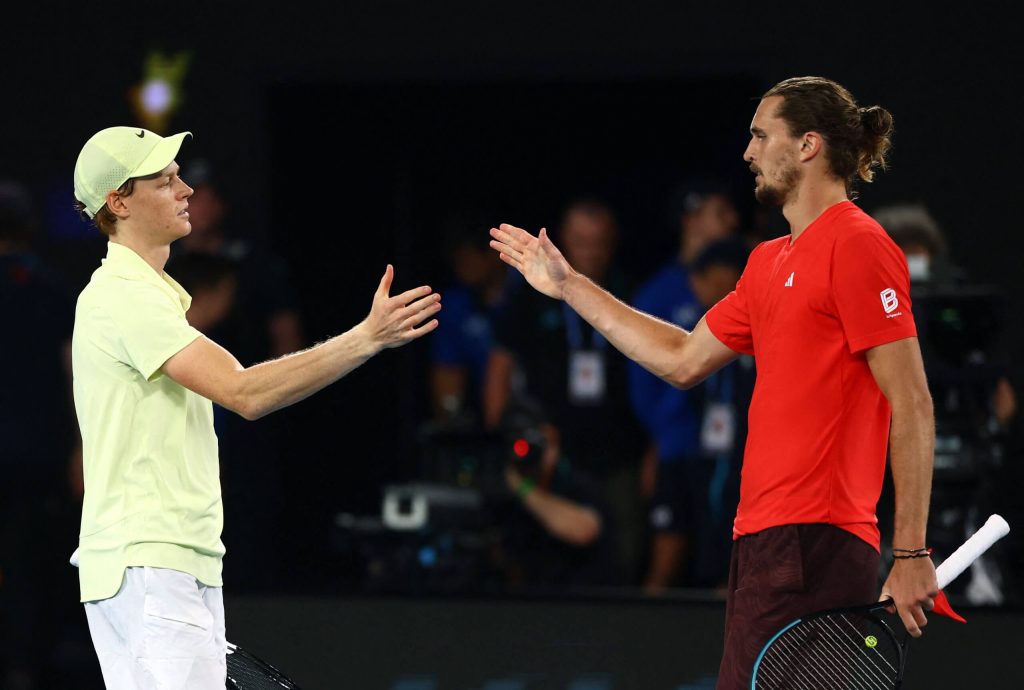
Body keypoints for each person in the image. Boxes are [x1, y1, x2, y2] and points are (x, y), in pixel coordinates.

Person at [488, 76, 937, 689]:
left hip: (817, 541)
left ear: (808, 145)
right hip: (761, 543)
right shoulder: (766, 261)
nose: (747, 152)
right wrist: (570, 285)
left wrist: (911, 552)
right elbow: (679, 357)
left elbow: (910, 401)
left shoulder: (859, 245)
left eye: (759, 135)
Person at [69, 126, 441, 689]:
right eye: (165, 180)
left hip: (174, 562)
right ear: (118, 201)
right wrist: (367, 338)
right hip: (148, 562)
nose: (186, 189)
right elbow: (245, 392)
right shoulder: (122, 297)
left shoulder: (150, 296)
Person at [484, 199, 646, 584]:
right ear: (565, 241)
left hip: (618, 449)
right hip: (551, 447)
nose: (590, 251)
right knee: (541, 545)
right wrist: (499, 433)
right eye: (581, 241)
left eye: (599, 242)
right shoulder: (532, 293)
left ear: (613, 242)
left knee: (623, 550)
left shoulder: (630, 291)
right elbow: (502, 362)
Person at [628, 179, 741, 591]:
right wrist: (659, 439)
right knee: (668, 552)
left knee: (729, 562)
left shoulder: (753, 281)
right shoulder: (660, 291)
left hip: (733, 454)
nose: (731, 220)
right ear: (692, 219)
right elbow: (645, 381)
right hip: (677, 447)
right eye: (720, 211)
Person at [0, 181, 81, 689]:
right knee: (31, 562)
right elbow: (76, 373)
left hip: (33, 453)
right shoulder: (54, 289)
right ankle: (25, 667)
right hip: (38, 453)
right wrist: (80, 448)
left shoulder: (51, 290)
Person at [495, 399, 618, 590]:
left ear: (553, 438)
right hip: (521, 602)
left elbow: (584, 531)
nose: (522, 451)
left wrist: (523, 488)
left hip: (580, 603)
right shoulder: (499, 487)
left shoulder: (579, 483)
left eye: (531, 441)